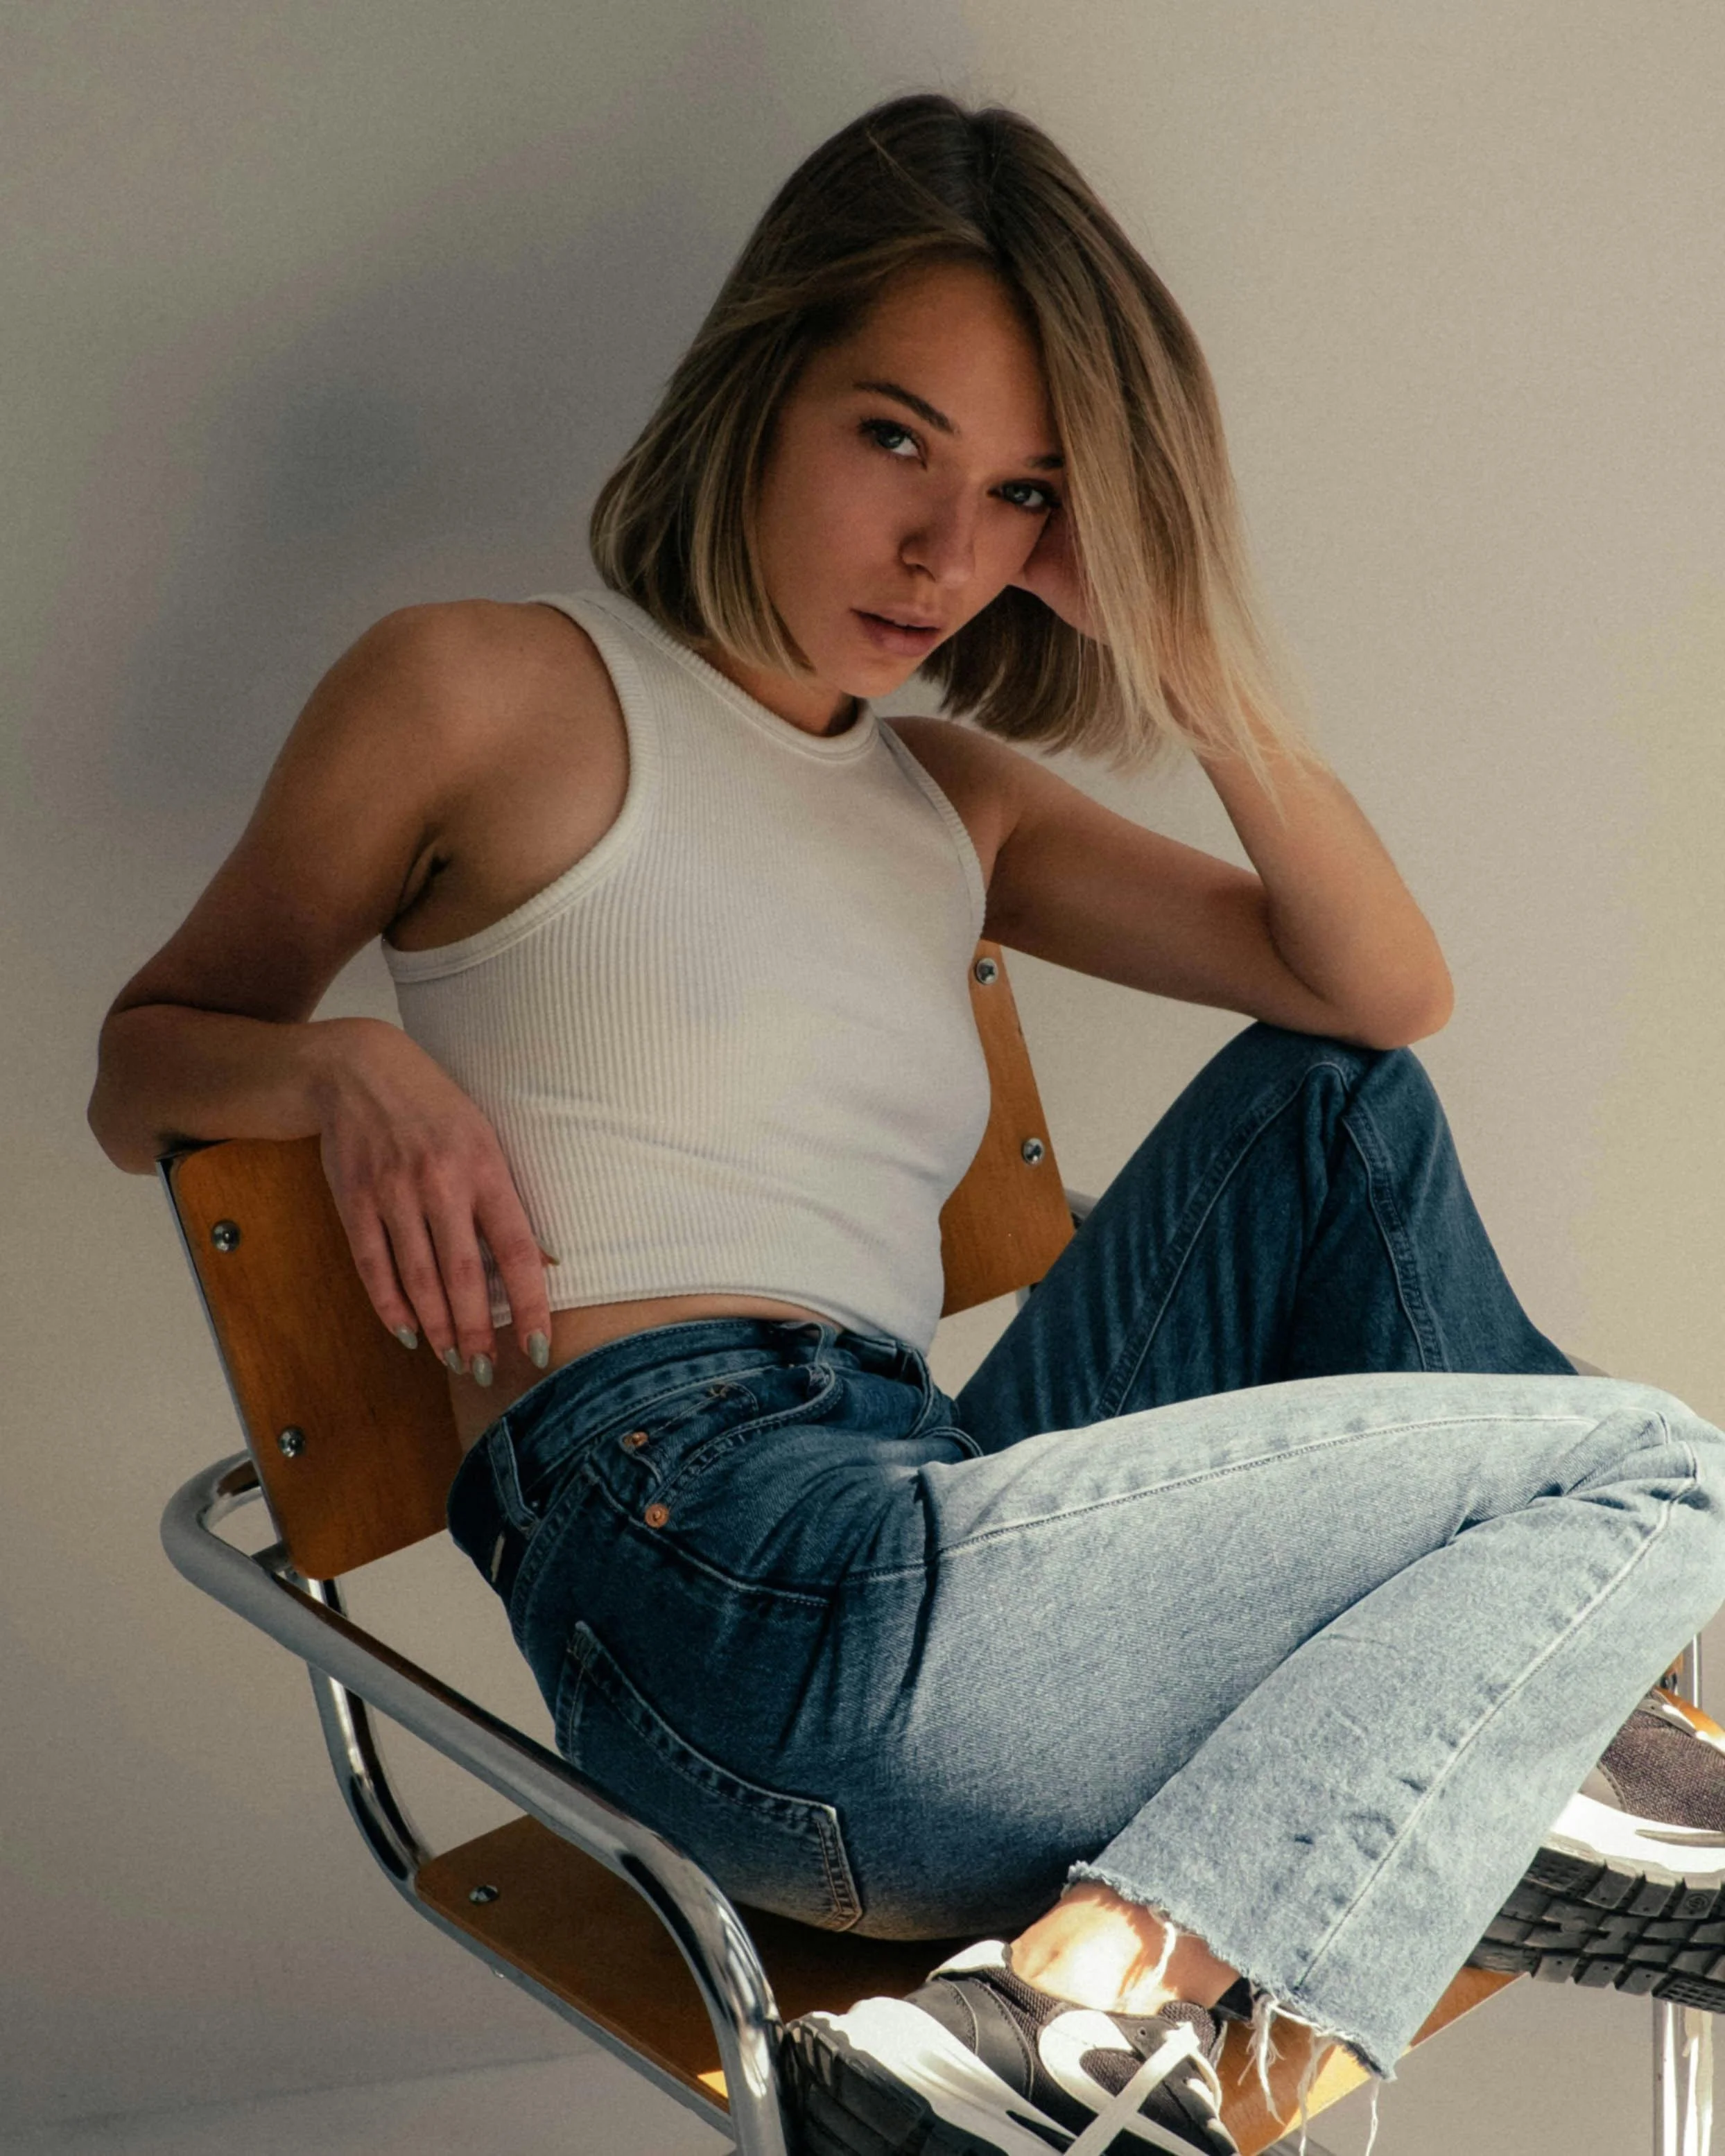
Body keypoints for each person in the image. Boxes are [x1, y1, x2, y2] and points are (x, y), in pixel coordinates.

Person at [89, 92, 1725, 2156]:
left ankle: (1168, 1966)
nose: (950, 552)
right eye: (896, 440)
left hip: (933, 1529)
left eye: (1027, 495)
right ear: (763, 387)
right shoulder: (478, 689)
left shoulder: (953, 804)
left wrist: (1193, 646)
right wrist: (340, 1065)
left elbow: (1374, 988)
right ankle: (1276, 1918)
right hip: (722, 1592)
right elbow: (143, 1057)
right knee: (1661, 1477)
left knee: (1337, 1110)